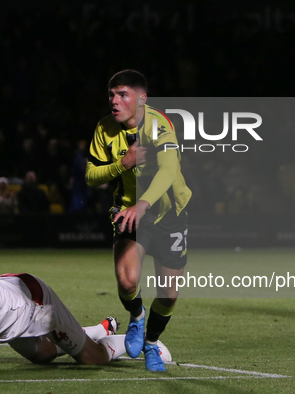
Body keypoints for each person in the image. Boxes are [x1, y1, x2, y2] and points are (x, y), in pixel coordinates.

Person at [85, 70, 191, 371]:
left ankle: (151, 342)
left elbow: (168, 171)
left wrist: (143, 204)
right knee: (127, 279)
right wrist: (123, 163)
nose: (114, 101)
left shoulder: (159, 125)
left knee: (169, 295)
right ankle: (136, 316)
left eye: (122, 94)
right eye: (111, 94)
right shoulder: (104, 129)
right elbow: (91, 176)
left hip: (169, 214)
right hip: (129, 212)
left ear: (142, 99)